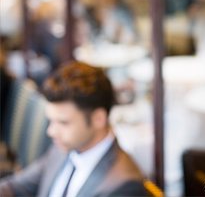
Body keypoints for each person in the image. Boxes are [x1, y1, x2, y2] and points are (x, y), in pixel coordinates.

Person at [0, 61, 151, 196]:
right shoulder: (65, 147)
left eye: (63, 123)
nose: (51, 131)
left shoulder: (123, 185)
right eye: (51, 121)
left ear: (98, 119)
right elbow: (16, 187)